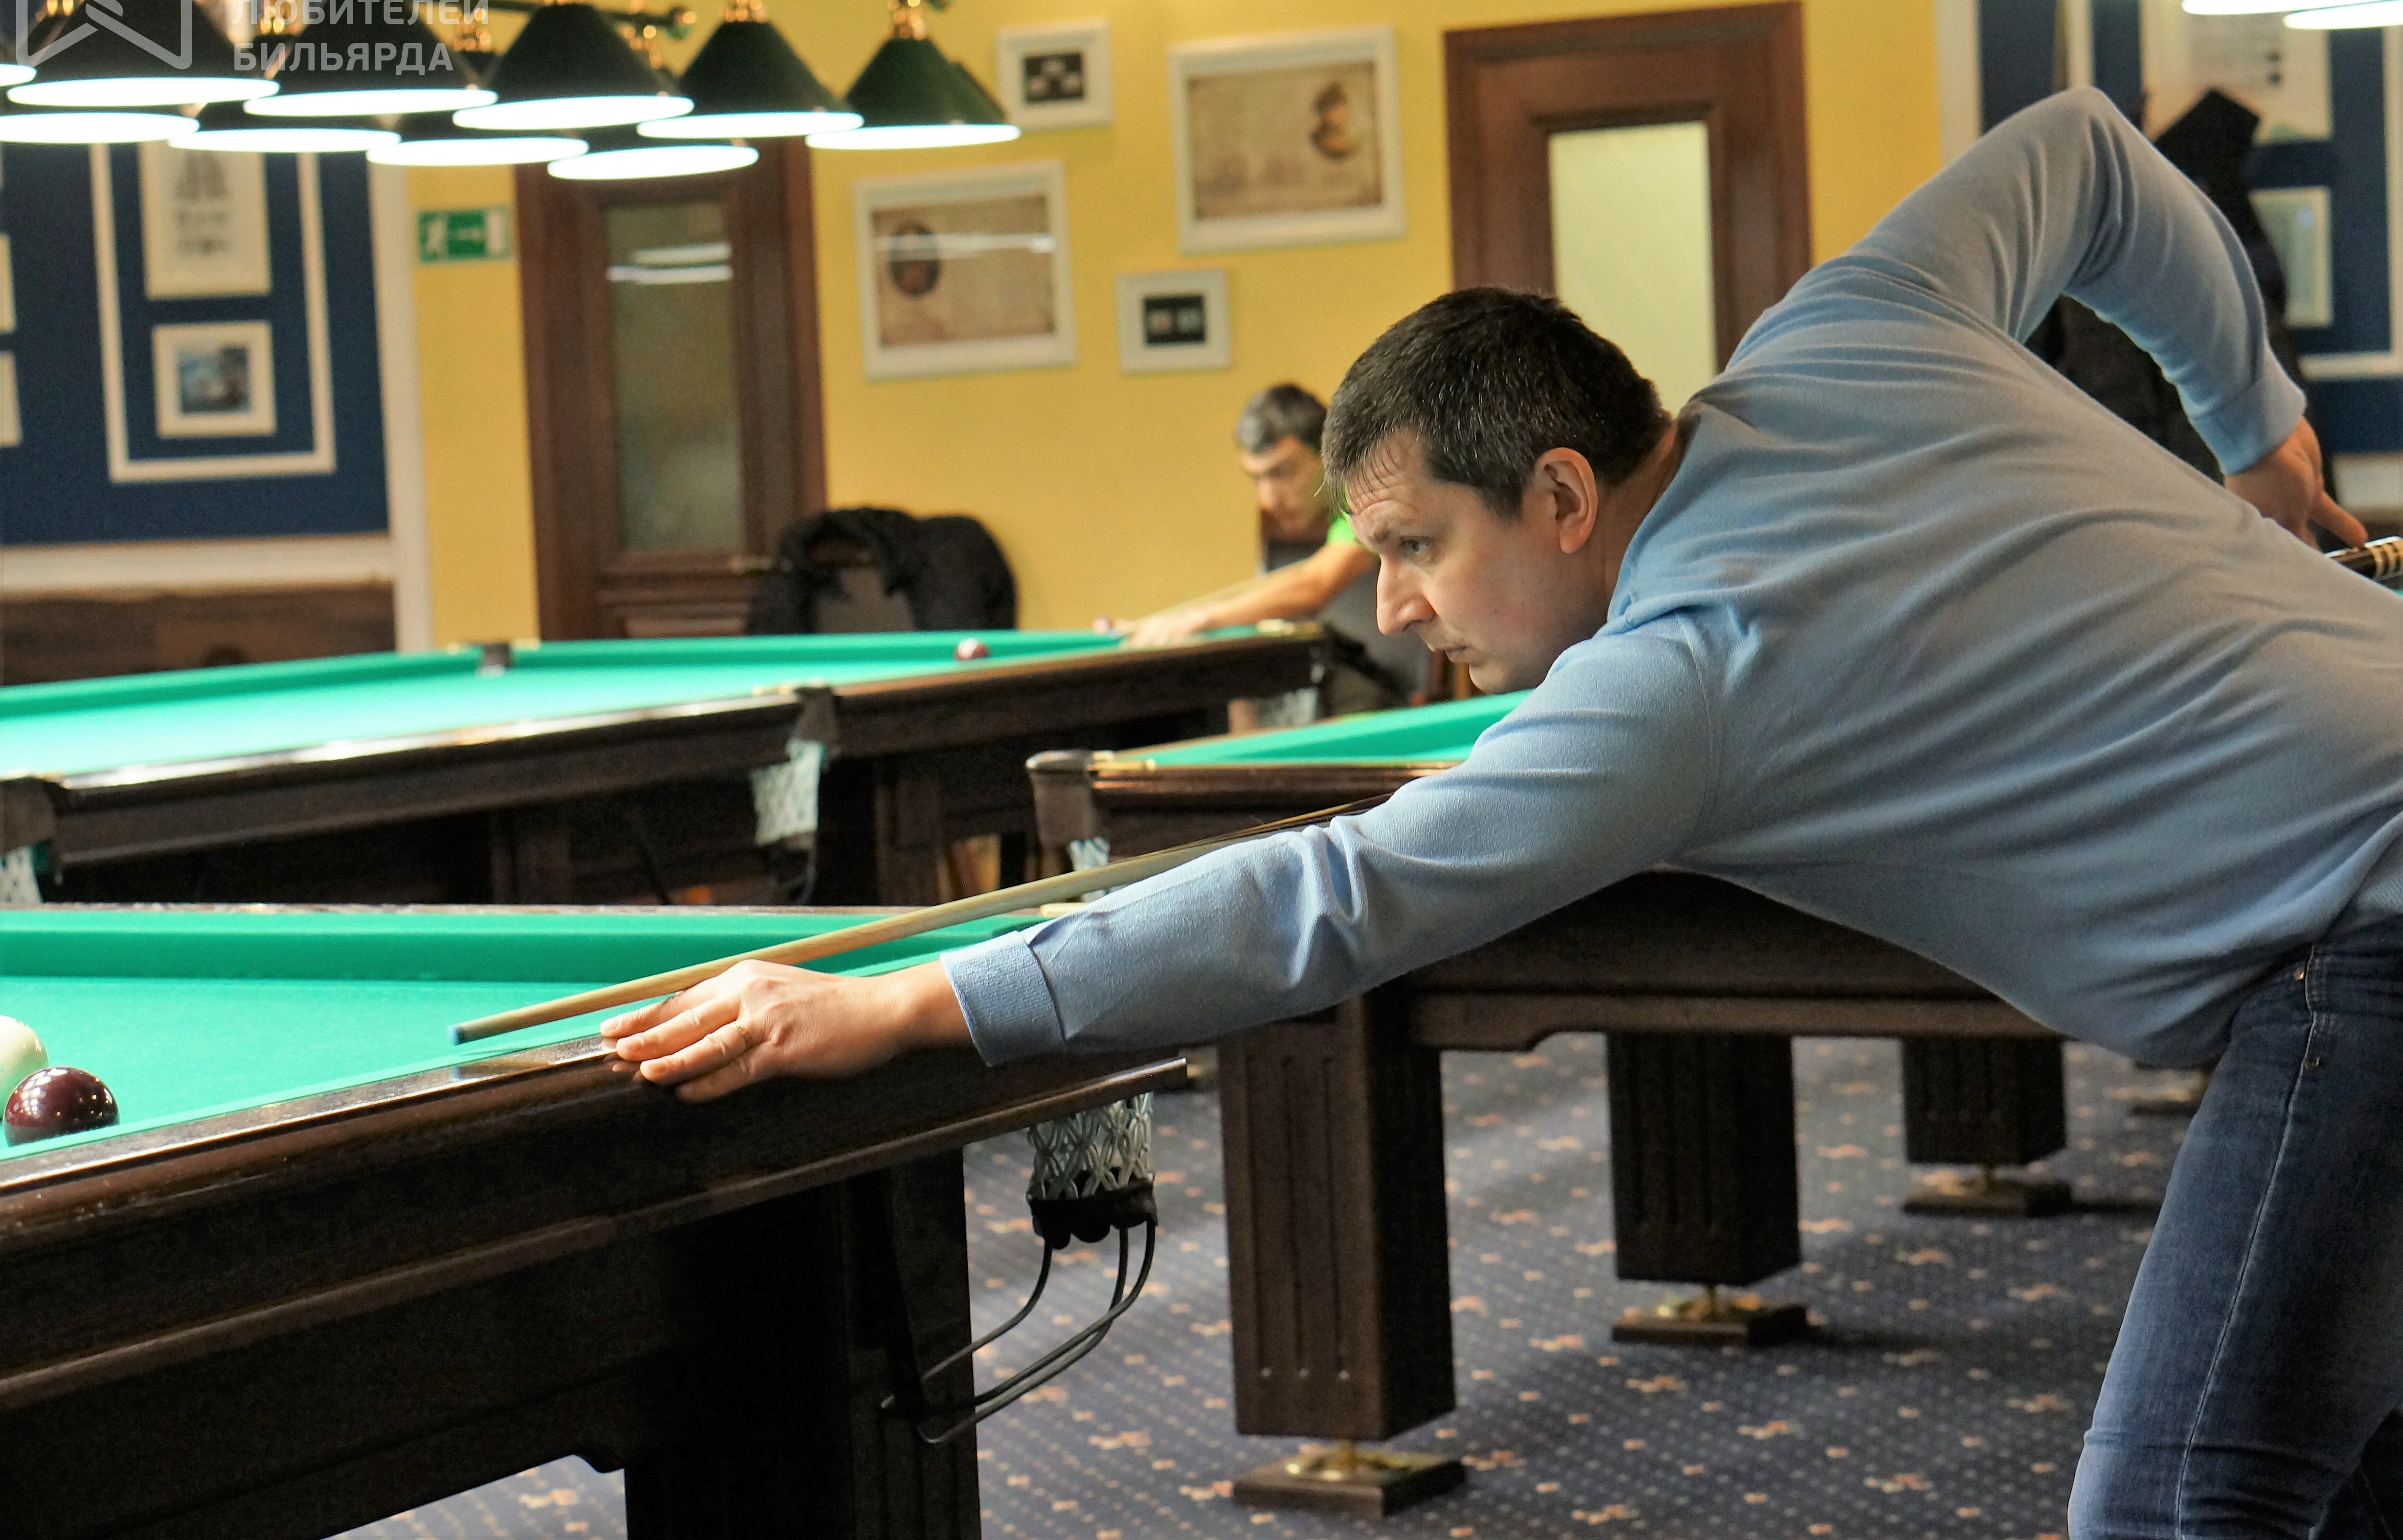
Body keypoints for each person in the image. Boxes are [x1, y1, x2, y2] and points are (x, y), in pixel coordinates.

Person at [604, 90, 2403, 1540]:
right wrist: (2260, 440)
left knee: (2173, 1502)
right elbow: (2091, 158)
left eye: (1413, 545)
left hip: (2362, 933)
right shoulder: (1849, 324)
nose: (1393, 601)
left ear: (1557, 492)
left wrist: (910, 999)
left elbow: (1329, 899)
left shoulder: (1679, 681)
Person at [1114, 384, 1428, 715]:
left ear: (1326, 454)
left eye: (1281, 472)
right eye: (1256, 478)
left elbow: (1313, 587)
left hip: (1393, 698)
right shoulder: (1306, 517)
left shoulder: (1368, 497)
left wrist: (1200, 619)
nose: (1268, 499)